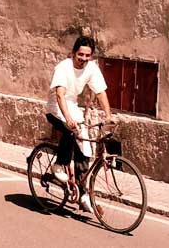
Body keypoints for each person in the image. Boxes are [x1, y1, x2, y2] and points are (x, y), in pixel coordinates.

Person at [44, 36, 112, 212]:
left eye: (87, 55)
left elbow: (101, 92)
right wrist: (68, 119)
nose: (83, 58)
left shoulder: (91, 68)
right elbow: (59, 95)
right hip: (55, 108)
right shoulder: (63, 68)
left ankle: (83, 195)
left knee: (85, 148)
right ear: (74, 53)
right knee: (71, 131)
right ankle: (59, 163)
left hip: (72, 107)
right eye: (80, 54)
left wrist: (109, 115)